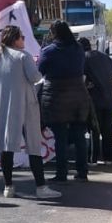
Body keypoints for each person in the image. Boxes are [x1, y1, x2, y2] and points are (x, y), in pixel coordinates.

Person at [0, 25, 61, 199]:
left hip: (3, 107)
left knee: (6, 147)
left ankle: (8, 186)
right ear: (15, 39)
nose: (24, 39)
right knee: (34, 146)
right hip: (26, 105)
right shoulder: (23, 56)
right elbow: (35, 77)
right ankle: (41, 187)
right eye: (22, 37)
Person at [39, 20, 92, 182]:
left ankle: (62, 174)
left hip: (56, 98)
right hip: (78, 96)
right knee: (79, 136)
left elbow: (39, 71)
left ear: (54, 33)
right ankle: (82, 172)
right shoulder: (78, 49)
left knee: (60, 138)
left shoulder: (49, 51)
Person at [79, 37, 112, 165]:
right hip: (110, 99)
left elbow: (81, 80)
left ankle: (93, 159)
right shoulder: (103, 56)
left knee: (94, 131)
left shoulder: (83, 59)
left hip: (94, 101)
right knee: (108, 130)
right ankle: (108, 158)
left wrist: (88, 85)